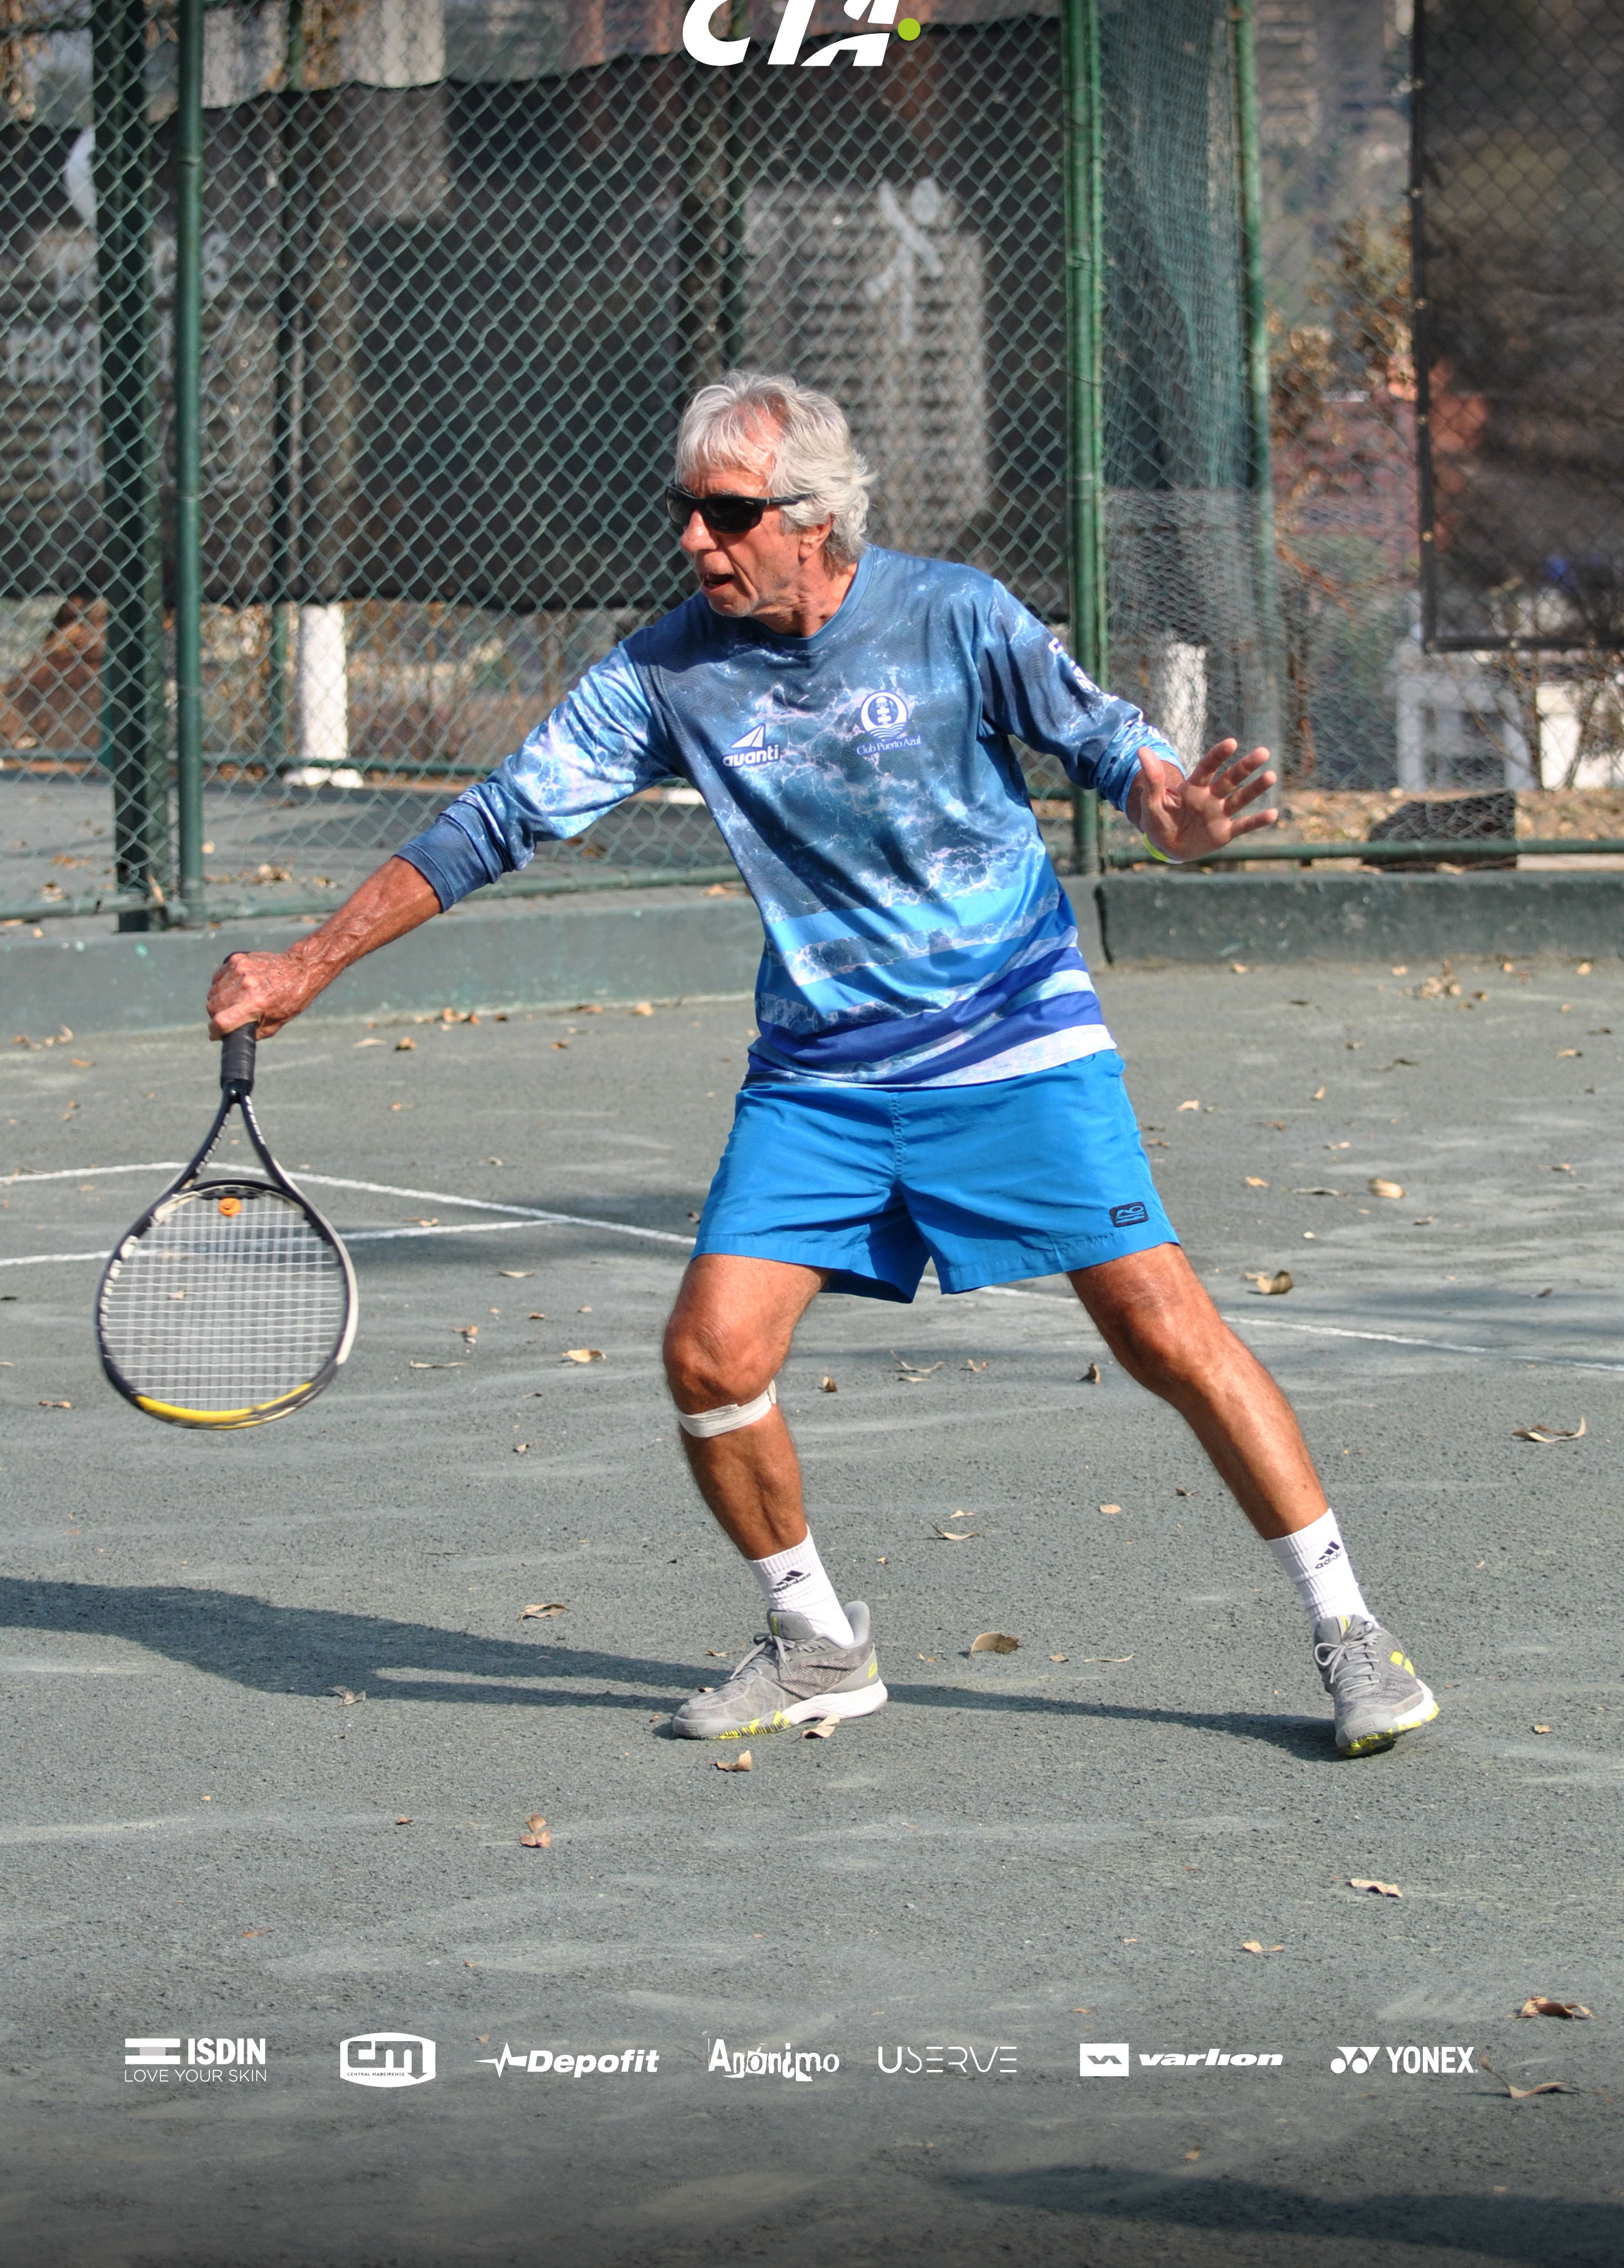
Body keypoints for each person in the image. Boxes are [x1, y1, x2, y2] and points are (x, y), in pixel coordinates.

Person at [207, 369, 1437, 1761]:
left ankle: (1349, 1627)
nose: (693, 540)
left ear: (816, 520)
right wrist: (310, 961)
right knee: (710, 1352)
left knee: (1164, 1333)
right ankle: (816, 1641)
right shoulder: (665, 669)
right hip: (822, 1082)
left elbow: (1122, 758)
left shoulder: (958, 614)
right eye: (685, 510)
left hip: (1015, 1044)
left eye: (725, 514)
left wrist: (1181, 819)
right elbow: (495, 820)